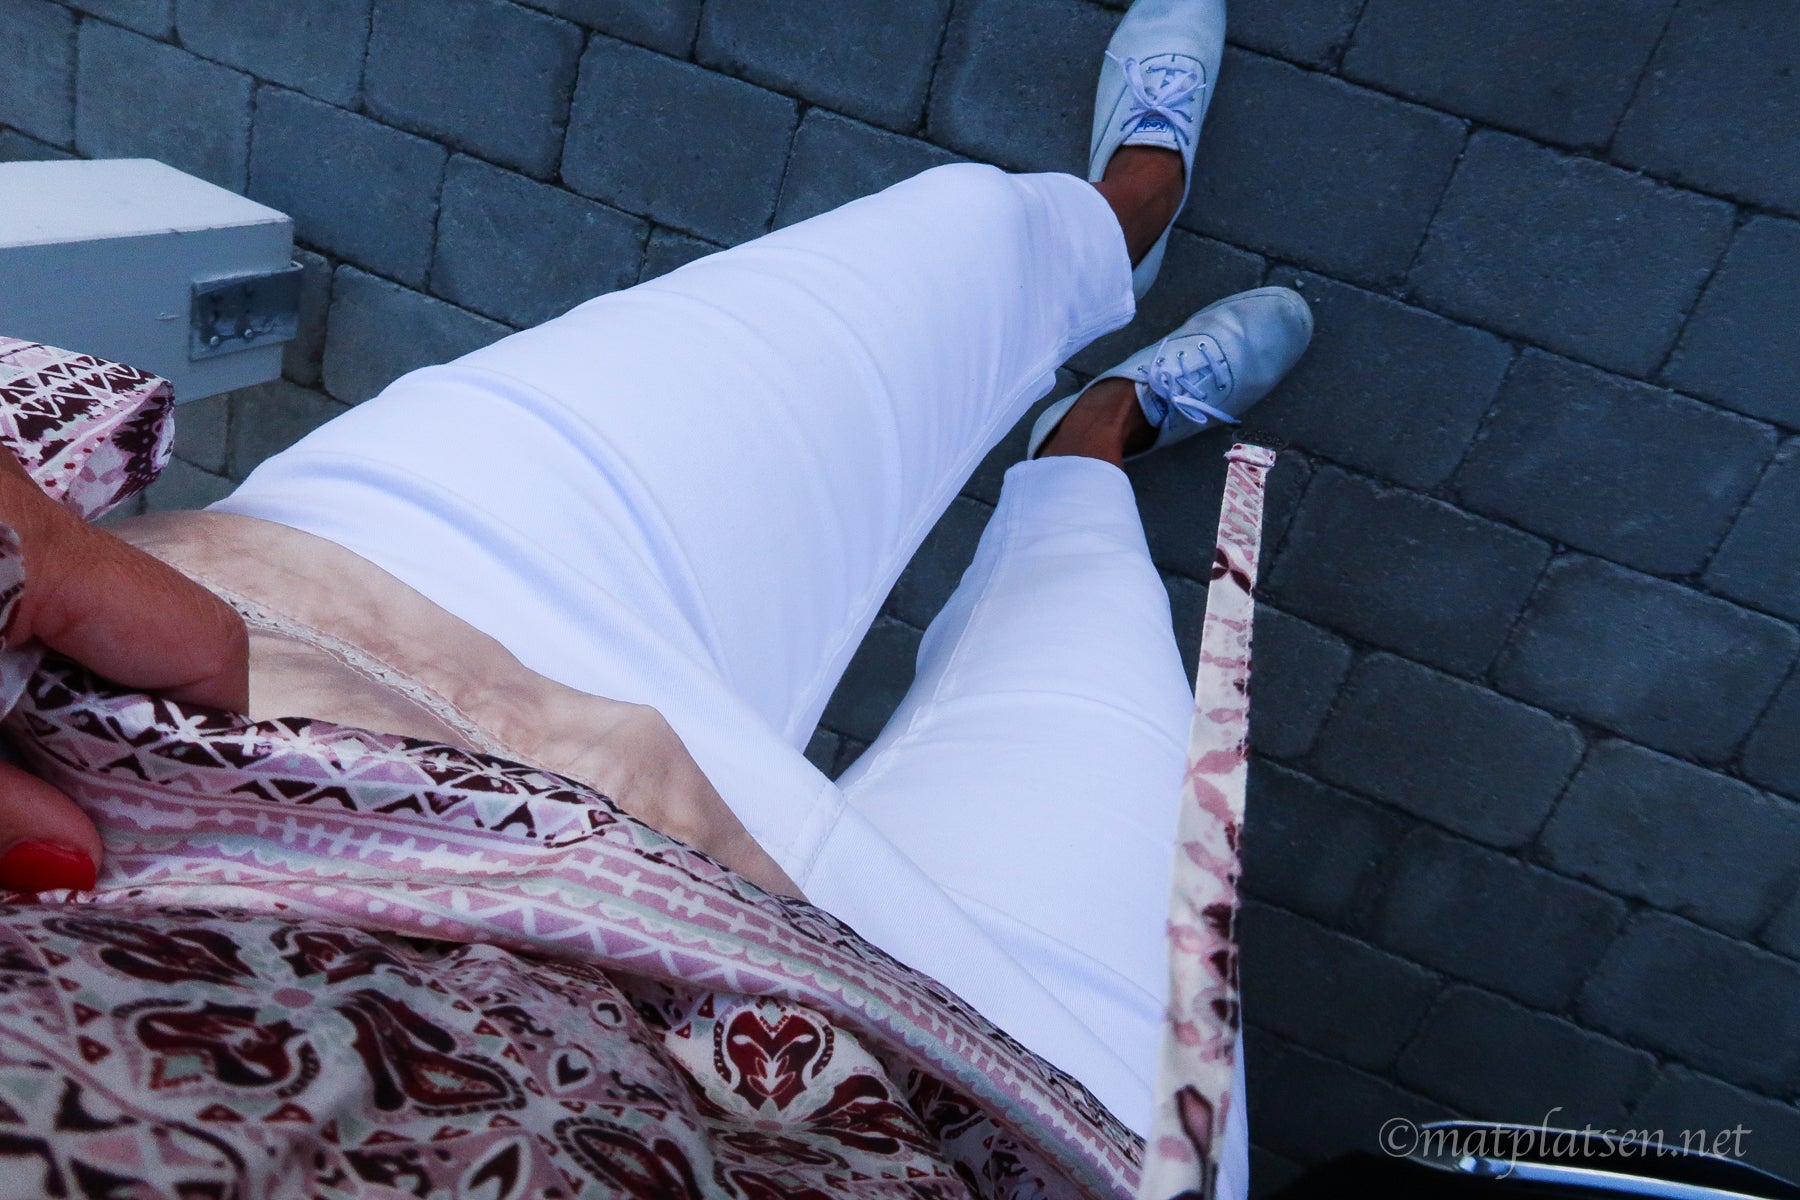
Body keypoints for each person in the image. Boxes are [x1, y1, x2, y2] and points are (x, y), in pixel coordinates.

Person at [0, 0, 1310, 1194]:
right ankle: (1095, 439)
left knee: (950, 248)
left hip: (326, 647)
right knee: (1092, 629)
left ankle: (1121, 217)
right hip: (979, 1106)